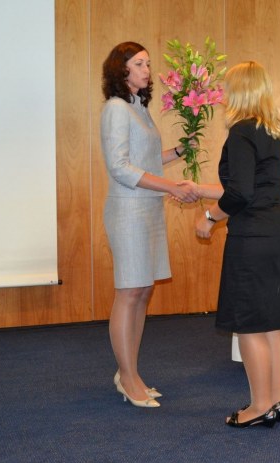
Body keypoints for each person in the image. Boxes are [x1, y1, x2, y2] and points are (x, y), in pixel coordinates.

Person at [190, 61, 280, 428]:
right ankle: (275, 400)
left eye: (226, 88)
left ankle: (259, 406)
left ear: (239, 92)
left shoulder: (240, 132)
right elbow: (254, 187)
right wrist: (201, 191)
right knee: (272, 324)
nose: (221, 95)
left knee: (251, 325)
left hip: (254, 235)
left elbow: (239, 194)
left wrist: (209, 218)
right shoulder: (273, 131)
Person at [100, 41, 199, 408]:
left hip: (148, 209)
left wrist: (180, 151)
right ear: (121, 69)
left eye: (148, 63)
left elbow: (146, 159)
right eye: (139, 63)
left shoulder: (138, 107)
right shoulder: (115, 108)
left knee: (143, 291)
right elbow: (120, 167)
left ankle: (131, 372)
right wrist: (171, 186)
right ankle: (126, 377)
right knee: (129, 292)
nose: (147, 70)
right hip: (128, 211)